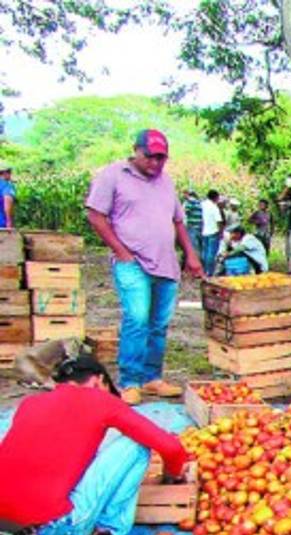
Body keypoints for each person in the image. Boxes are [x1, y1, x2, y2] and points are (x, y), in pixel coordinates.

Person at [0, 353, 189, 535]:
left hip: (6, 532)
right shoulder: (100, 399)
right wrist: (172, 476)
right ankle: (107, 530)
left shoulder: (30, 403)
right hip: (55, 532)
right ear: (99, 381)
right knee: (136, 445)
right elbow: (172, 448)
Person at [85, 129, 203, 405]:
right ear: (136, 151)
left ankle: (152, 378)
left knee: (159, 324)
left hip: (165, 263)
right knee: (137, 319)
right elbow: (96, 216)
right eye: (150, 157)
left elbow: (177, 222)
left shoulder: (166, 182)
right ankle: (130, 381)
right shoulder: (114, 175)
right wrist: (120, 251)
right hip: (132, 262)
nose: (156, 163)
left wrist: (191, 255)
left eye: (161, 158)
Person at [199, 189, 224, 276]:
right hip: (213, 232)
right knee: (211, 254)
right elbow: (219, 221)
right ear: (215, 198)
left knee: (204, 252)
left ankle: (204, 271)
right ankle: (209, 272)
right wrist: (221, 233)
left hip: (204, 231)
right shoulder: (214, 207)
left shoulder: (202, 204)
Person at [182, 190, 203, 258]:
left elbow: (185, 212)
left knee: (193, 246)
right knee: (198, 246)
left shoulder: (189, 202)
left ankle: (194, 263)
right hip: (199, 227)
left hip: (192, 227)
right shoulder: (199, 203)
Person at [0, 163, 16, 229]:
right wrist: (9, 222)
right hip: (2, 224)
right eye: (9, 172)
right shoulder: (7, 185)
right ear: (5, 173)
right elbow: (8, 199)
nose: (10, 175)